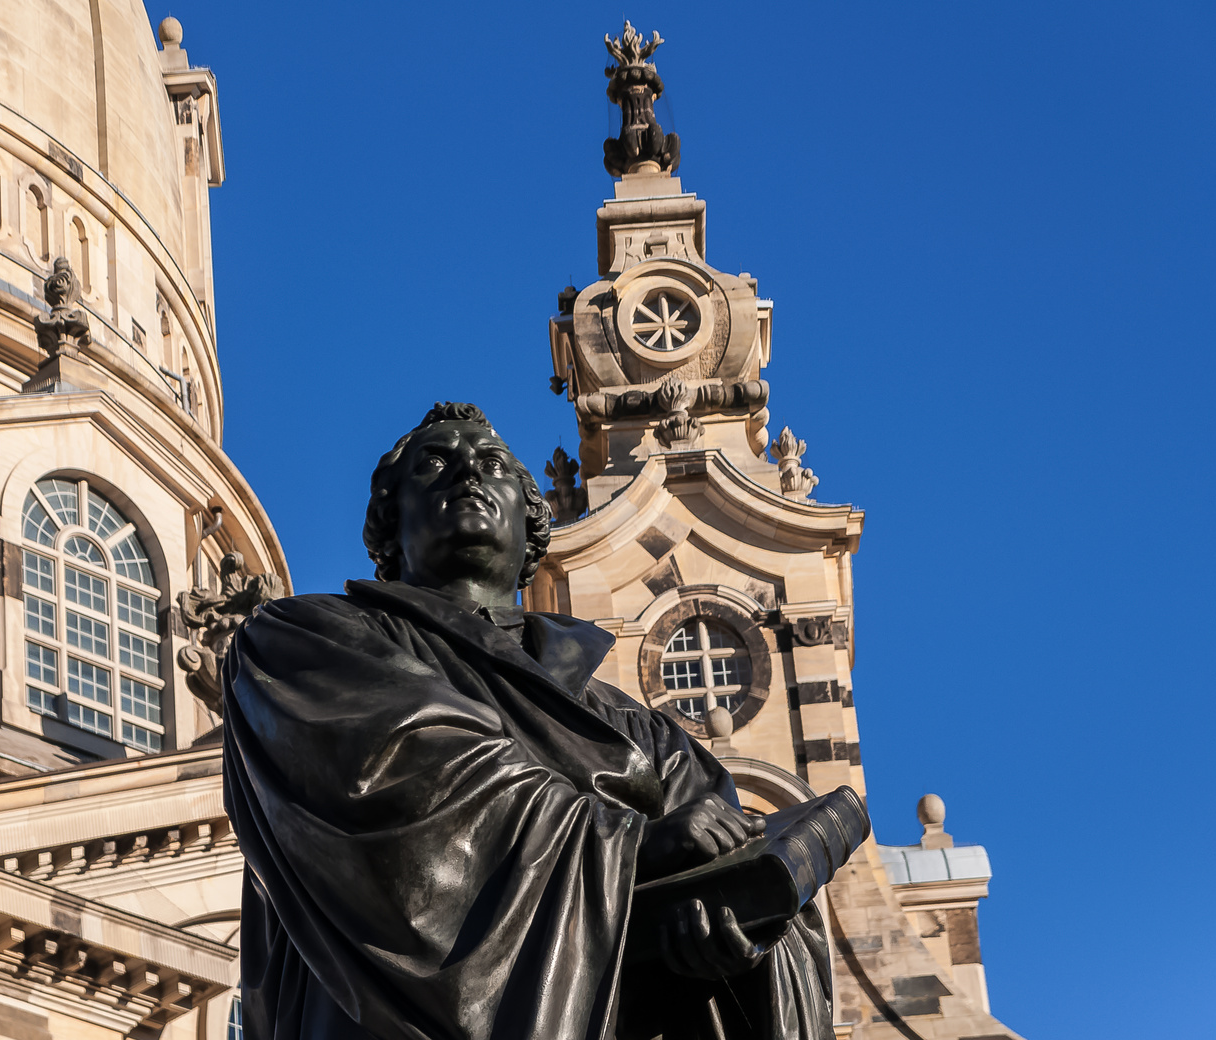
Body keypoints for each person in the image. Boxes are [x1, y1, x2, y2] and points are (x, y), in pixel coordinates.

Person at [222, 403, 832, 1040]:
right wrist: (629, 847)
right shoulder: (304, 641)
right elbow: (414, 773)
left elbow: (737, 865)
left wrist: (742, 942)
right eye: (434, 464)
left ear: (529, 526)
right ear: (390, 528)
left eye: (492, 466)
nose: (467, 475)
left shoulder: (645, 734)